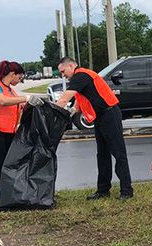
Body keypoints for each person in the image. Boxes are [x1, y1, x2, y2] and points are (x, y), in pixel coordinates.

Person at [54, 57, 133, 200]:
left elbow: (65, 98)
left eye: (63, 71)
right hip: (100, 117)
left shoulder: (81, 75)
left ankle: (126, 191)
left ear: (71, 66)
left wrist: (51, 111)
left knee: (118, 153)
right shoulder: (80, 78)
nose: (63, 75)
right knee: (102, 154)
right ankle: (103, 190)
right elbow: (78, 100)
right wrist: (71, 112)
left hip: (110, 114)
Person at [0, 60, 43, 188]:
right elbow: (2, 101)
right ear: (12, 74)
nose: (20, 80)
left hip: (7, 131)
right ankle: (3, 194)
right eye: (20, 77)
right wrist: (26, 98)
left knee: (9, 162)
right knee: (1, 162)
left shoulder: (11, 90)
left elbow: (15, 105)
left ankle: (11, 192)